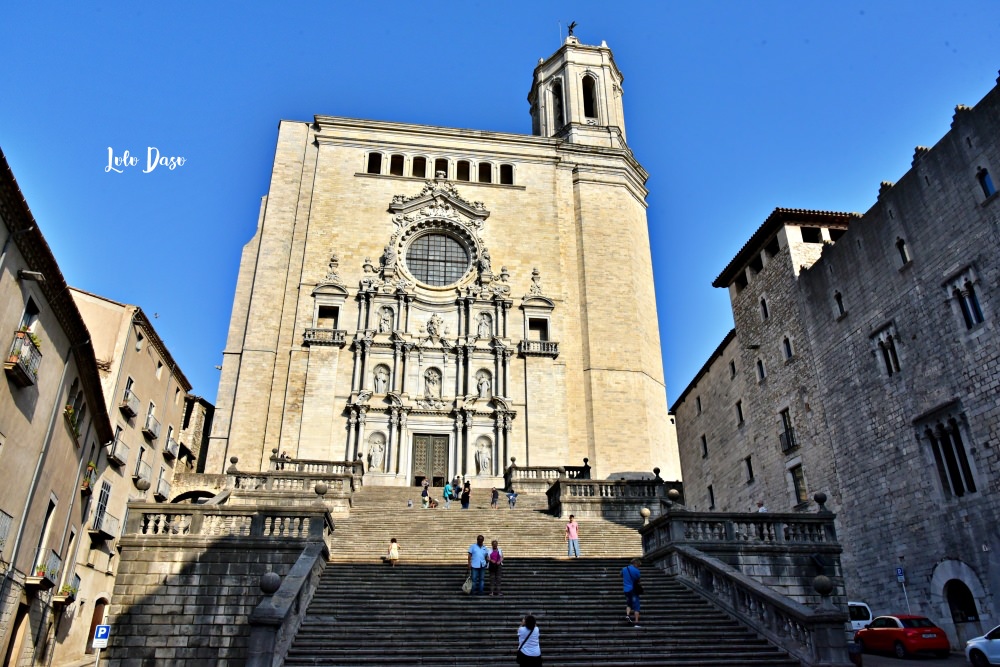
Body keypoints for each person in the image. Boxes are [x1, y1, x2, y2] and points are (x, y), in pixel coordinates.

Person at [622, 558, 643, 628]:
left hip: (626, 590)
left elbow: (620, 575)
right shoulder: (636, 571)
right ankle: (636, 623)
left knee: (629, 603)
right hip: (633, 590)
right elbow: (639, 580)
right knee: (636, 606)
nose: (638, 566)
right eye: (638, 565)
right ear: (635, 563)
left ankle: (628, 615)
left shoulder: (624, 569)